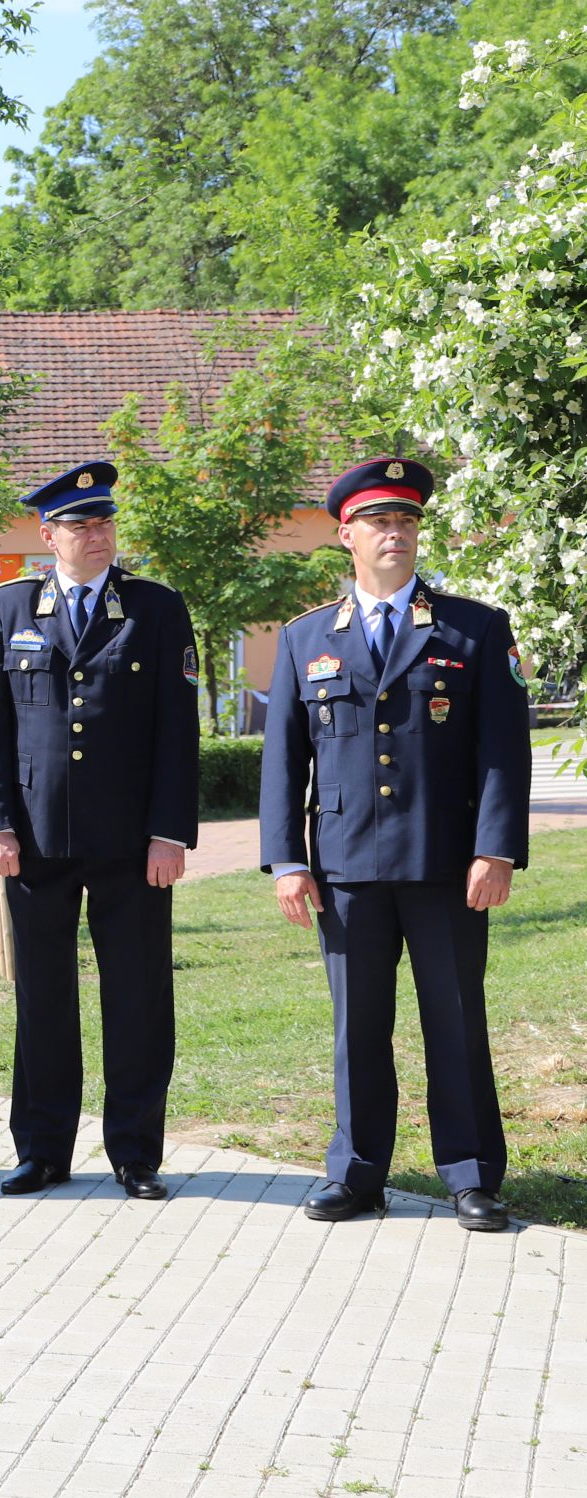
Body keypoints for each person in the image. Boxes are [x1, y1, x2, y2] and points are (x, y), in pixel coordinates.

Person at [261, 457, 528, 1232]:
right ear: (346, 534)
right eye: (380, 522)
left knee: (454, 1019)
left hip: (446, 862)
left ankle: (472, 1174)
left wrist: (497, 848)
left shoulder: (474, 628)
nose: (396, 534)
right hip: (344, 867)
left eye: (407, 521)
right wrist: (287, 858)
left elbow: (502, 751)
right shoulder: (308, 636)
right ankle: (358, 1172)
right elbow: (284, 758)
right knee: (357, 1029)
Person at [0, 461, 199, 1202]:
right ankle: (42, 1149)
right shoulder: (9, 608)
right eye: (78, 525)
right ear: (47, 535)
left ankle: (136, 1151)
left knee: (136, 996)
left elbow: (176, 732)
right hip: (34, 841)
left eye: (103, 522)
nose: (94, 535)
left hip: (132, 842)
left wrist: (170, 832)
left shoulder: (155, 609)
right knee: (42, 999)